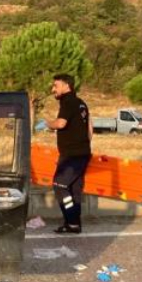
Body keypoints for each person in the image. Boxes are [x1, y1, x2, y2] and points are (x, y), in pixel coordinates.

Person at [50, 73, 92, 233]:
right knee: (74, 189)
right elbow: (90, 129)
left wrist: (48, 123)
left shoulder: (68, 101)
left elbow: (61, 123)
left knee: (59, 185)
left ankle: (72, 220)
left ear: (66, 86)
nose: (53, 89)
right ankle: (74, 224)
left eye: (56, 85)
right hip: (82, 153)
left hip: (72, 155)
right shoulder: (82, 103)